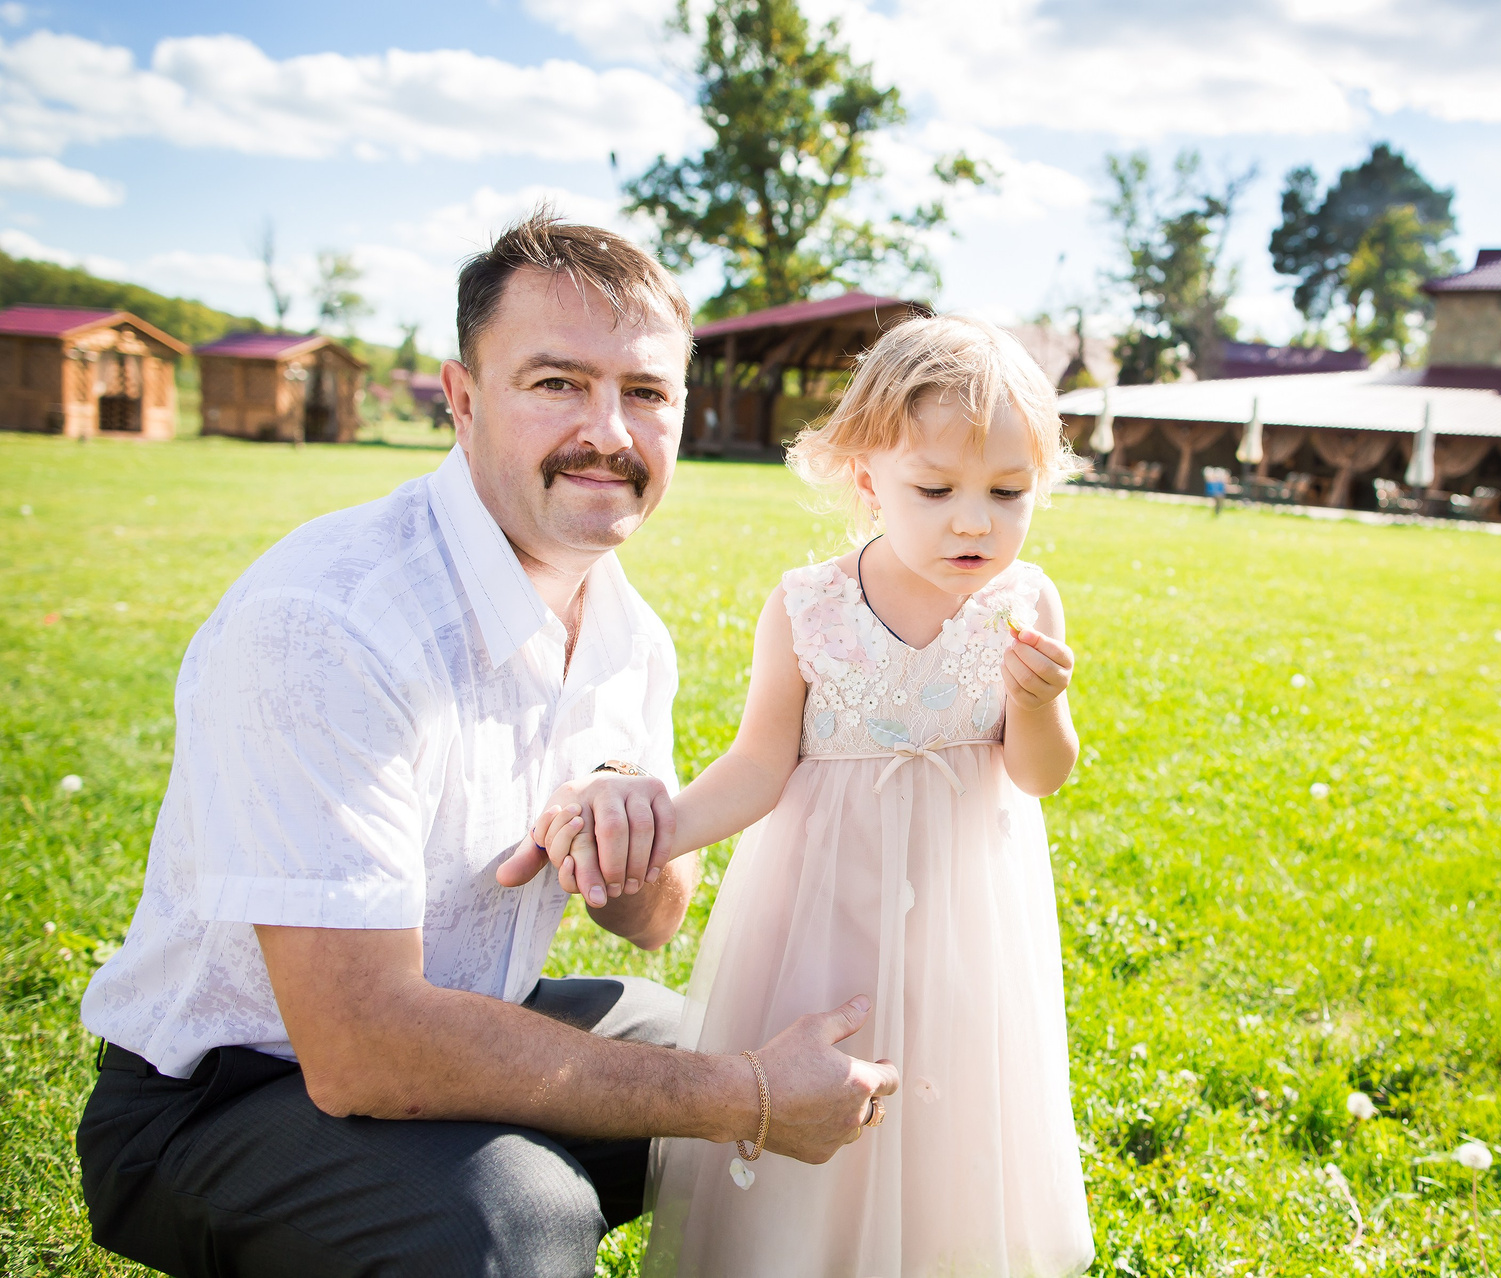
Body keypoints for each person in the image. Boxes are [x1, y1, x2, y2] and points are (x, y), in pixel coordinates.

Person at [73, 211, 897, 1277]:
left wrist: (623, 825)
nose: (609, 431)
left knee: (743, 1035)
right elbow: (362, 1047)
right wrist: (749, 1098)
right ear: (461, 401)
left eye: (646, 393)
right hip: (221, 1098)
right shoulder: (329, 620)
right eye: (557, 383)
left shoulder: (629, 633)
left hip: (467, 1014)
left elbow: (652, 920)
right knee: (518, 1214)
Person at [525, 315, 1095, 1275]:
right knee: (826, 1092)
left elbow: (1039, 774)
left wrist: (1040, 706)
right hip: (826, 916)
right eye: (936, 490)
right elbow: (757, 767)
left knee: (952, 1100)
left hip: (964, 918)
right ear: (868, 481)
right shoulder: (809, 607)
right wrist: (651, 833)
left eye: (1008, 492)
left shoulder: (1025, 602)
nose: (974, 522)